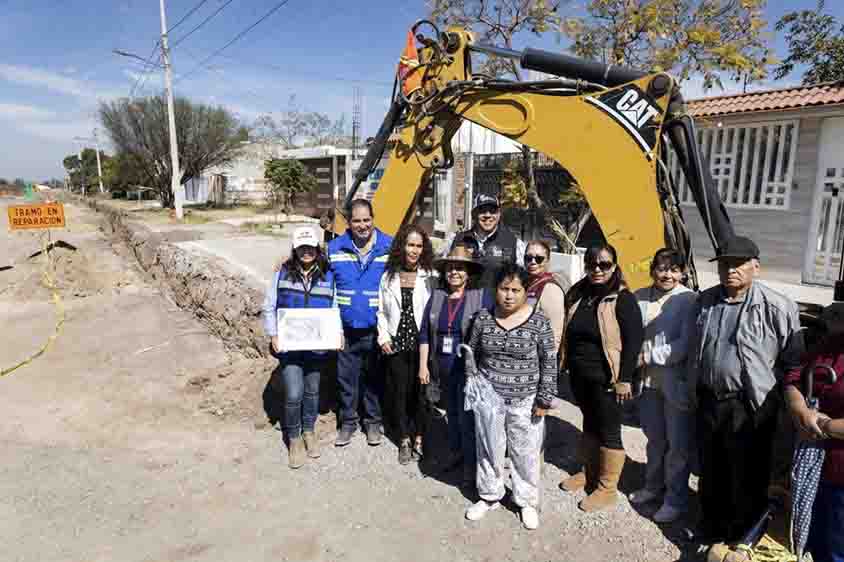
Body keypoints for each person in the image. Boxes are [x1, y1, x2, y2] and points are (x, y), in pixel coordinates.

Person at [687, 235, 803, 543]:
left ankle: (742, 537)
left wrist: (783, 403)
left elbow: (793, 362)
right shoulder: (706, 302)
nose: (730, 270)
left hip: (750, 404)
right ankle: (711, 529)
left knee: (748, 473)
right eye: (724, 264)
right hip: (710, 399)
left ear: (756, 267)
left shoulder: (778, 307)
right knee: (711, 469)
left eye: (738, 264)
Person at [464, 263, 557, 531]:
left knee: (524, 452)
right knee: (489, 448)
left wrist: (544, 399)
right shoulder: (482, 318)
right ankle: (489, 495)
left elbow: (549, 361)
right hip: (489, 399)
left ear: (525, 292)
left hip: (525, 400)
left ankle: (526, 501)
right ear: (496, 290)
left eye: (516, 290)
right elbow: (471, 353)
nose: (509, 295)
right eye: (504, 288)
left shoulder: (539, 322)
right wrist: (476, 388)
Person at [559, 243, 644, 512]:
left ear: (615, 266)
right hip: (579, 375)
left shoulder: (622, 298)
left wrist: (625, 379)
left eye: (604, 264)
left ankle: (606, 488)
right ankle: (589, 473)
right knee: (590, 424)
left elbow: (634, 342)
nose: (597, 269)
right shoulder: (578, 292)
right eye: (592, 263)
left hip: (608, 378)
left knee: (609, 430)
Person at [630, 249, 698, 522]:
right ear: (652, 270)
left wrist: (648, 356)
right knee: (655, 440)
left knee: (678, 445)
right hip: (647, 383)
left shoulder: (688, 300)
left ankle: (675, 499)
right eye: (661, 268)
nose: (667, 274)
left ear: (682, 272)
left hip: (675, 383)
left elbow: (686, 344)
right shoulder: (639, 296)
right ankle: (652, 486)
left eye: (673, 269)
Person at [262, 226, 337, 469]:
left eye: (310, 247)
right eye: (301, 248)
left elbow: (334, 309)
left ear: (317, 248)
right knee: (294, 393)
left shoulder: (328, 275)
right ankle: (294, 439)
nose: (306, 252)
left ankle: (308, 431)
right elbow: (269, 306)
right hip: (291, 347)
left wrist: (338, 333)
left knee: (312, 391)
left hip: (316, 347)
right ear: (295, 250)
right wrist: (273, 333)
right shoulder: (282, 274)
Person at [419, 244, 488, 485]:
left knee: (468, 418)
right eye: (450, 268)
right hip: (442, 369)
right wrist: (423, 366)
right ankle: (457, 453)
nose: (454, 273)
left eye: (460, 268)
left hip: (468, 371)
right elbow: (425, 334)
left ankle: (471, 466)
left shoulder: (479, 298)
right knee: (452, 414)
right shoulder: (437, 297)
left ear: (468, 273)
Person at [328, 199, 394, 447]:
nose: (362, 225)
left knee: (374, 378)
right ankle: (347, 422)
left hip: (376, 328)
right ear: (349, 222)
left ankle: (373, 423)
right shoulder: (334, 248)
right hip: (346, 329)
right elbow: (328, 288)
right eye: (357, 220)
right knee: (346, 379)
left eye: (367, 219)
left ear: (373, 219)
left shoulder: (389, 246)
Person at [785, 302, 844, 562]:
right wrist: (800, 408)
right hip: (819, 469)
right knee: (814, 542)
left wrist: (826, 426)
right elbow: (795, 377)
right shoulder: (833, 344)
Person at [376, 224, 437, 465]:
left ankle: (420, 438)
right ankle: (403, 439)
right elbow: (380, 311)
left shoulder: (431, 277)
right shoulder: (388, 276)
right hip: (397, 344)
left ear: (424, 249)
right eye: (410, 244)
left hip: (422, 345)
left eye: (418, 246)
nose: (414, 250)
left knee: (421, 395)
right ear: (402, 246)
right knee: (399, 395)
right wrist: (383, 337)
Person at [440, 194, 526, 288]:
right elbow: (442, 273)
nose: (487, 215)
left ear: (499, 215)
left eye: (492, 211)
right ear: (473, 214)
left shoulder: (514, 242)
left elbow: (524, 278)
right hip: (464, 301)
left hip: (496, 302)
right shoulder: (456, 239)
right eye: (482, 211)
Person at [524, 239, 567, 362]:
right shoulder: (526, 283)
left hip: (537, 361)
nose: (533, 262)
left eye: (539, 259)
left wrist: (546, 365)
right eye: (528, 258)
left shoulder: (550, 288)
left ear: (547, 261)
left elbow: (554, 334)